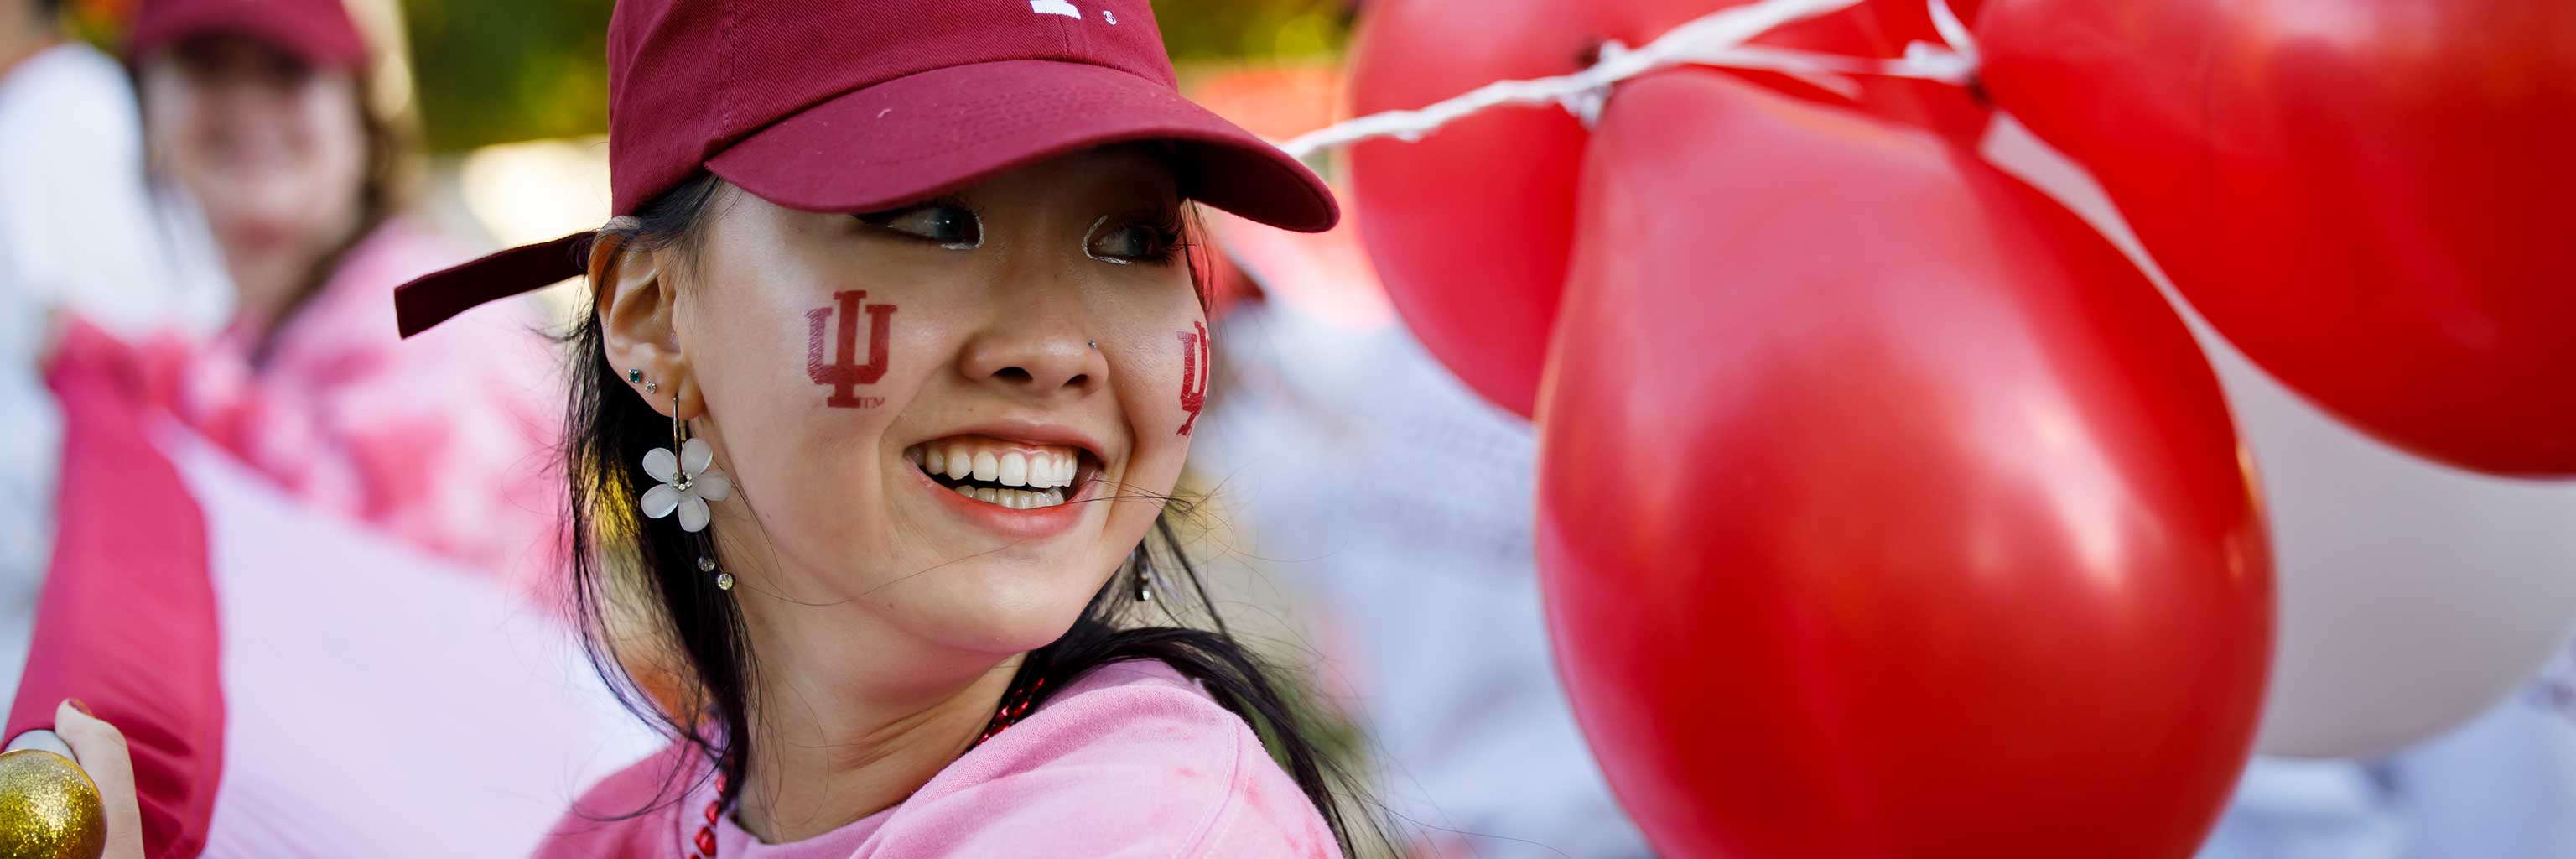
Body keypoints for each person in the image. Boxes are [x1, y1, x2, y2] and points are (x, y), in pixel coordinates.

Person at [391, 1, 1377, 856]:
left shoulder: (1151, 833)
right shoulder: (619, 831)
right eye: (934, 220)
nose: (1054, 349)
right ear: (655, 314)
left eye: (1132, 239)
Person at [121, 0, 564, 590]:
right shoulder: (251, 334)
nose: (247, 104)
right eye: (209, 66)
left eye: (287, 69)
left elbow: (388, 581)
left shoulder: (434, 312)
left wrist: (150, 375)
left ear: (361, 115)